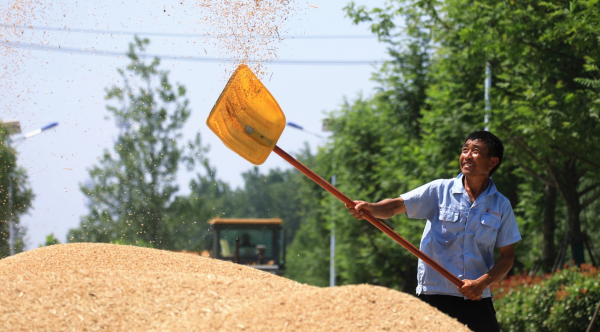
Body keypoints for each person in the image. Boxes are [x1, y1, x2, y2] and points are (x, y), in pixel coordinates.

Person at [346, 131, 521, 332]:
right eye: (465, 150)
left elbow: (507, 258)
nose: (467, 155)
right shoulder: (439, 191)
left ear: (493, 162)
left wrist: (482, 284)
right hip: (435, 294)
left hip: (476, 297)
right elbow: (395, 206)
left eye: (475, 151)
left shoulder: (501, 205)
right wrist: (373, 208)